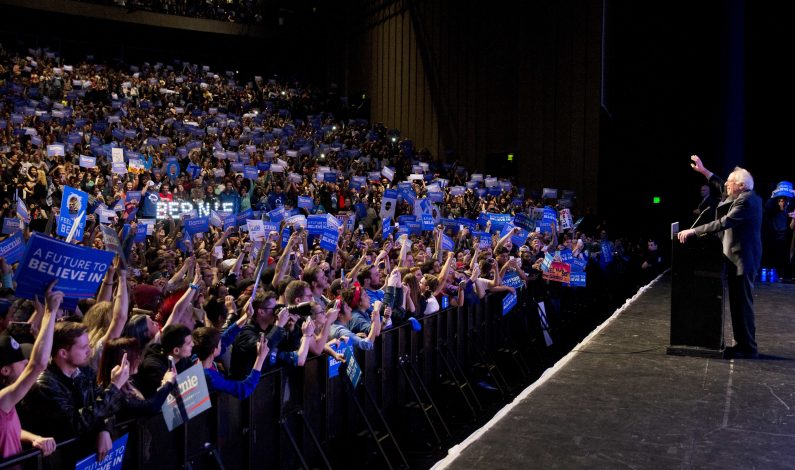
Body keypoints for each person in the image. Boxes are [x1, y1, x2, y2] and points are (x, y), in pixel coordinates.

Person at [678, 155, 762, 359]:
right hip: (736, 259)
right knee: (737, 304)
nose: (726, 186)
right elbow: (719, 183)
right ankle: (742, 344)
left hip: (743, 260)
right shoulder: (742, 195)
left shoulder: (747, 203)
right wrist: (704, 170)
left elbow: (724, 222)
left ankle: (748, 347)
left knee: (743, 305)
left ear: (740, 185)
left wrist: (694, 231)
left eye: (730, 183)